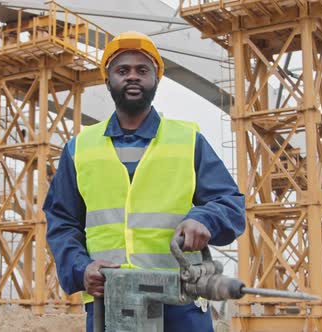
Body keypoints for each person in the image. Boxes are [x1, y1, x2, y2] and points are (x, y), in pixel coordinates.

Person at [43, 31, 245, 332]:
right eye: (122, 71)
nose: (133, 77)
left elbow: (230, 204)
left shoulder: (188, 140)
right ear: (108, 80)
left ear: (156, 79)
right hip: (109, 302)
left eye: (142, 70)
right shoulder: (79, 149)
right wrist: (80, 269)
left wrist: (204, 219)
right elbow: (62, 221)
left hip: (181, 300)